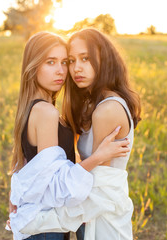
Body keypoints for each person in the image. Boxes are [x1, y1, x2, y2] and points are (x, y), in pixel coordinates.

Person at [7, 31, 130, 240]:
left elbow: (30, 166)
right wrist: (98, 157)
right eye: (51, 62)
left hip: (46, 223)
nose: (63, 71)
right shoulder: (46, 112)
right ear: (32, 66)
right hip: (45, 226)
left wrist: (16, 197)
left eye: (64, 62)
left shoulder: (35, 108)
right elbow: (56, 186)